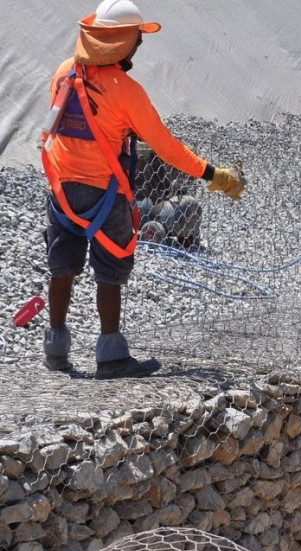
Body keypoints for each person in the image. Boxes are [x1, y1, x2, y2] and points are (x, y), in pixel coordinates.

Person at [40, 0, 246, 379]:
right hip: (104, 193)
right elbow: (167, 148)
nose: (138, 47)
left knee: (62, 266)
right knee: (111, 269)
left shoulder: (65, 72)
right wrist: (215, 175)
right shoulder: (126, 90)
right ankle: (111, 354)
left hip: (61, 190)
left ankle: (55, 350)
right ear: (124, 43)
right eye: (137, 40)